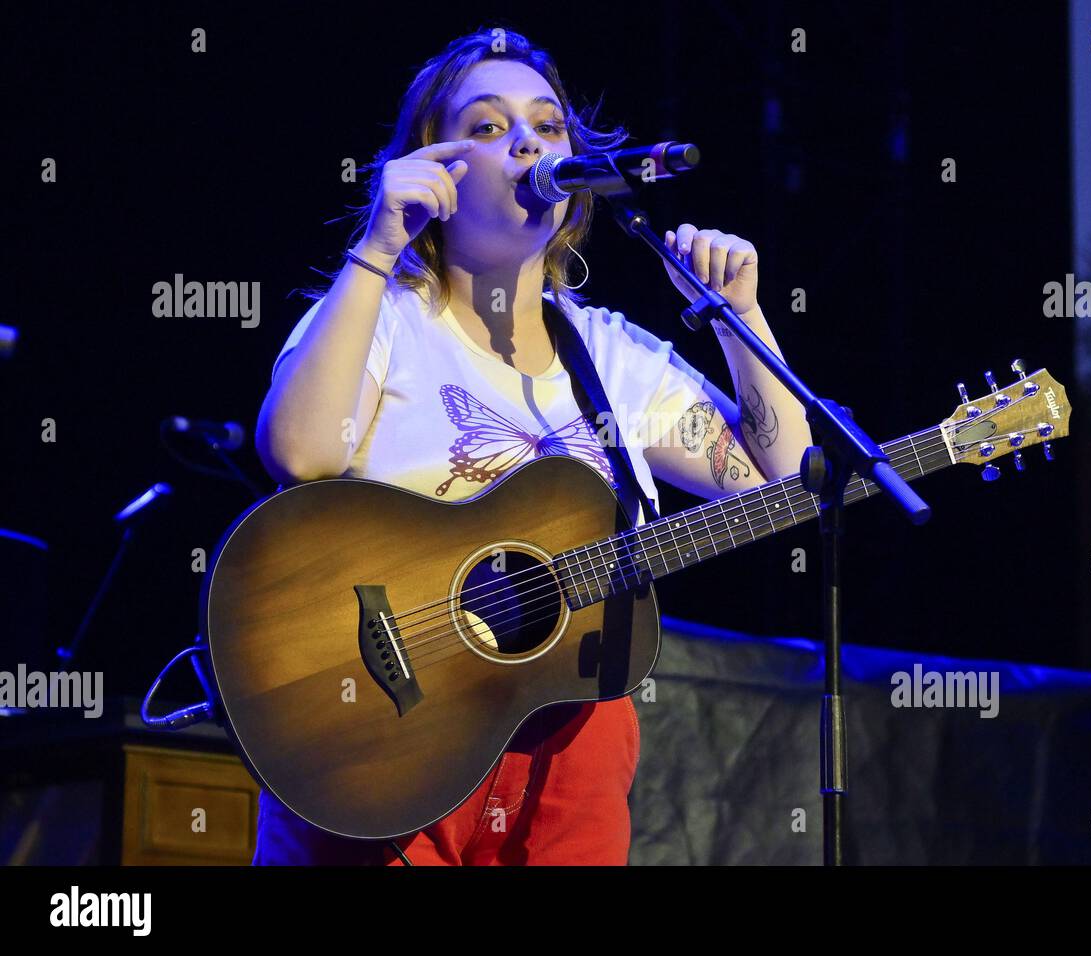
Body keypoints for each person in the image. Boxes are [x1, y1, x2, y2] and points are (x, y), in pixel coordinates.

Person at [251, 26, 811, 866]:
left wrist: (739, 317)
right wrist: (376, 248)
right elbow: (298, 453)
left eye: (549, 128)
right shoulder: (383, 317)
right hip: (385, 735)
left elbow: (786, 478)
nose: (528, 143)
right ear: (432, 170)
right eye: (487, 126)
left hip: (568, 748)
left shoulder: (612, 354)